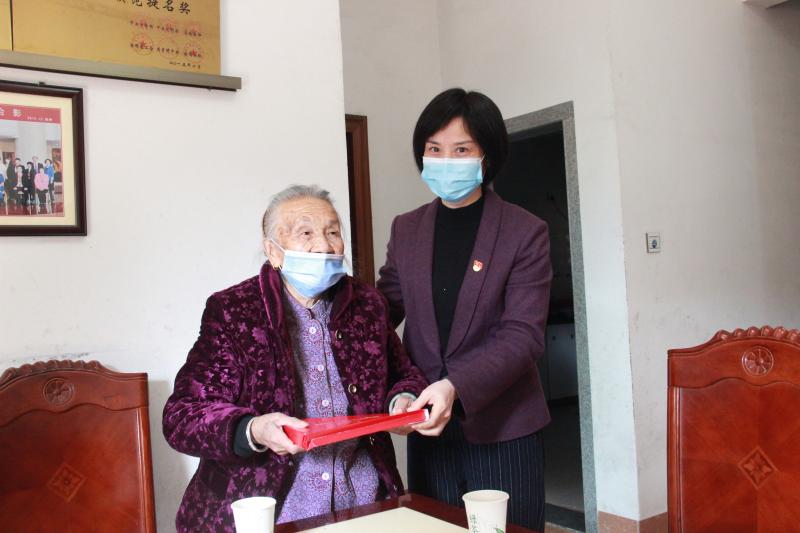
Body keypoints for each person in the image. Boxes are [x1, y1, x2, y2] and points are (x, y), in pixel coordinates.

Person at [163, 184, 428, 533]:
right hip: (270, 511)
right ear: (273, 251)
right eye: (306, 233)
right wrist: (253, 429)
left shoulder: (368, 304)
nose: (324, 246)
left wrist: (403, 400)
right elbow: (183, 415)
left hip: (363, 503)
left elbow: (403, 375)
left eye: (332, 232)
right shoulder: (234, 311)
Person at [377, 88, 553, 531]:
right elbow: (381, 313)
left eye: (461, 150)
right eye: (434, 149)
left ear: (486, 157)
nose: (445, 161)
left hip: (503, 428)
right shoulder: (407, 229)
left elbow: (523, 336)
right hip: (428, 426)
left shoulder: (524, 231)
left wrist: (455, 386)